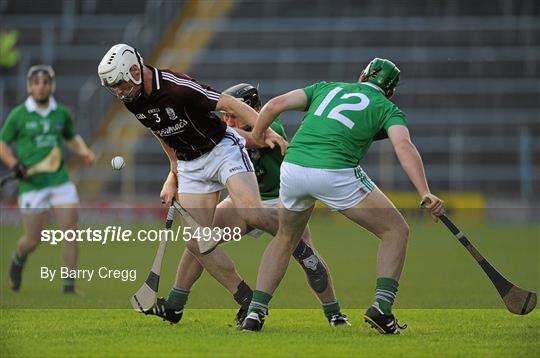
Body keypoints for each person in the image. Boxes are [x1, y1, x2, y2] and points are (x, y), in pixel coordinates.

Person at [97, 45, 344, 326]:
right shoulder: (132, 99)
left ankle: (309, 264)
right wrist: (173, 172)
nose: (119, 91)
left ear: (134, 70)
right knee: (196, 242)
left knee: (254, 214)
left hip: (221, 151)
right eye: (113, 87)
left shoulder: (178, 88)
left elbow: (231, 106)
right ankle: (244, 299)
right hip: (190, 165)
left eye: (120, 84)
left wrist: (269, 131)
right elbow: (162, 131)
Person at [242, 58, 446, 334]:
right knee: (396, 230)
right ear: (391, 92)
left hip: (293, 167)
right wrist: (425, 191)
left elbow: (273, 105)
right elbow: (404, 146)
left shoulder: (327, 88)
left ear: (362, 76)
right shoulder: (388, 108)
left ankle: (255, 312)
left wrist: (255, 135)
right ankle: (382, 309)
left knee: (286, 238)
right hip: (334, 172)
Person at [150, 83, 348, 327]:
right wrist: (173, 177)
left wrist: (204, 130)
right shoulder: (225, 133)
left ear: (252, 109)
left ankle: (334, 313)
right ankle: (176, 305)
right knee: (198, 241)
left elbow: (246, 139)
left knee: (310, 260)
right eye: (225, 117)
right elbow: (198, 150)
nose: (229, 122)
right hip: (241, 202)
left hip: (279, 204)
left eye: (234, 115)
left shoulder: (270, 127)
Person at [0, 65, 95, 293]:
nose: (41, 87)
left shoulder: (61, 113)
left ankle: (69, 286)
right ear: (29, 86)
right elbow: (2, 144)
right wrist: (15, 165)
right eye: (36, 83)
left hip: (59, 180)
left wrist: (84, 151)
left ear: (52, 86)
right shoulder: (18, 115)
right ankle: (18, 258)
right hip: (32, 185)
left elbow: (71, 138)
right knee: (32, 240)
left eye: (45, 83)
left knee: (70, 230)